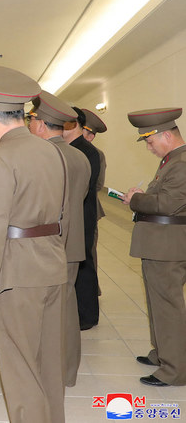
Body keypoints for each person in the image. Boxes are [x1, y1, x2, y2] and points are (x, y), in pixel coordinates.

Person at [0, 65, 69, 423]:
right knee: (48, 365)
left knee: (19, 369)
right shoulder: (51, 151)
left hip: (14, 277)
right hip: (51, 268)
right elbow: (64, 216)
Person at [27, 91, 90, 388]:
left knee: (46, 311)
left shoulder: (42, 156)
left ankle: (50, 371)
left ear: (40, 124)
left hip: (48, 244)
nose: (29, 125)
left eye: (31, 120)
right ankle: (67, 372)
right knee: (67, 308)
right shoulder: (79, 156)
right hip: (73, 243)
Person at [122, 107, 186, 387]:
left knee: (168, 308)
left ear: (166, 136)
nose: (149, 148)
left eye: (150, 141)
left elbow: (167, 204)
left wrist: (136, 199)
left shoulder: (181, 163)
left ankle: (175, 370)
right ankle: (162, 354)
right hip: (161, 244)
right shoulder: (173, 161)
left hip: (167, 246)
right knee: (158, 305)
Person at [63, 107, 101, 330]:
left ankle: (87, 316)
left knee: (84, 262)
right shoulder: (72, 148)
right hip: (74, 213)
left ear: (74, 124)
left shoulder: (86, 151)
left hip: (82, 213)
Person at [81, 109, 107, 292]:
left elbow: (98, 185)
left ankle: (91, 289)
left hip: (89, 208)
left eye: (93, 134)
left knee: (89, 251)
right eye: (87, 132)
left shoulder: (96, 154)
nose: (90, 137)